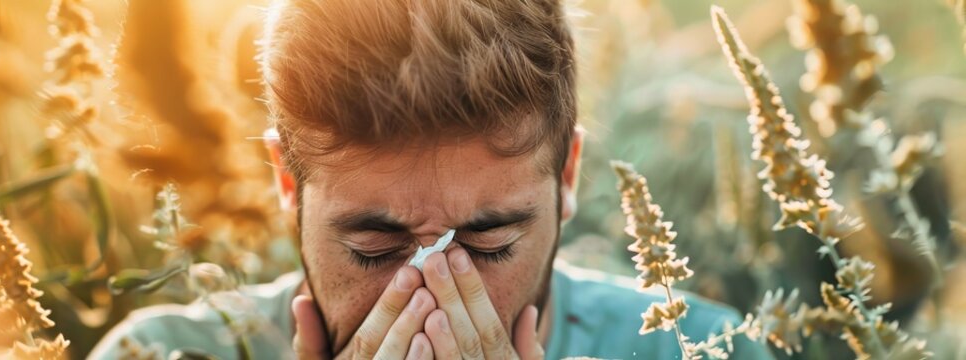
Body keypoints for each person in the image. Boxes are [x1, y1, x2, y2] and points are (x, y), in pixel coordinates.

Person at [90, 0, 773, 358]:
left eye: (489, 242)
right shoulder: (161, 357)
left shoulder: (699, 352)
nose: (431, 300)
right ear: (289, 185)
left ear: (565, 175)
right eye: (374, 248)